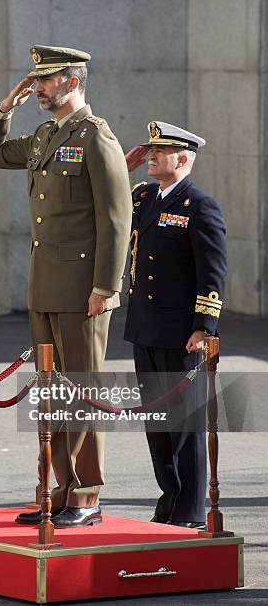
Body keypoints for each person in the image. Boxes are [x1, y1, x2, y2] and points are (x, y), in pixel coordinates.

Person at [0, 45, 132, 528]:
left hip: (84, 290)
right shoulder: (46, 135)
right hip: (44, 287)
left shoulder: (95, 137)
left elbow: (116, 220)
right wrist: (3, 110)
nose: (38, 87)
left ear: (73, 81)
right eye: (37, 80)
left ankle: (86, 497)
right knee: (53, 393)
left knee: (84, 390)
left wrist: (105, 287)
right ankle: (58, 492)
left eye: (45, 79)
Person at [124, 121, 227, 529]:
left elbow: (213, 271)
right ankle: (169, 499)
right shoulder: (143, 196)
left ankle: (189, 510)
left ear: (182, 159)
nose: (150, 156)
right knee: (156, 423)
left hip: (182, 334)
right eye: (149, 150)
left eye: (159, 151)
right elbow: (108, 204)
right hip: (145, 328)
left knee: (184, 426)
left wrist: (205, 326)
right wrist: (121, 164)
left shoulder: (199, 206)